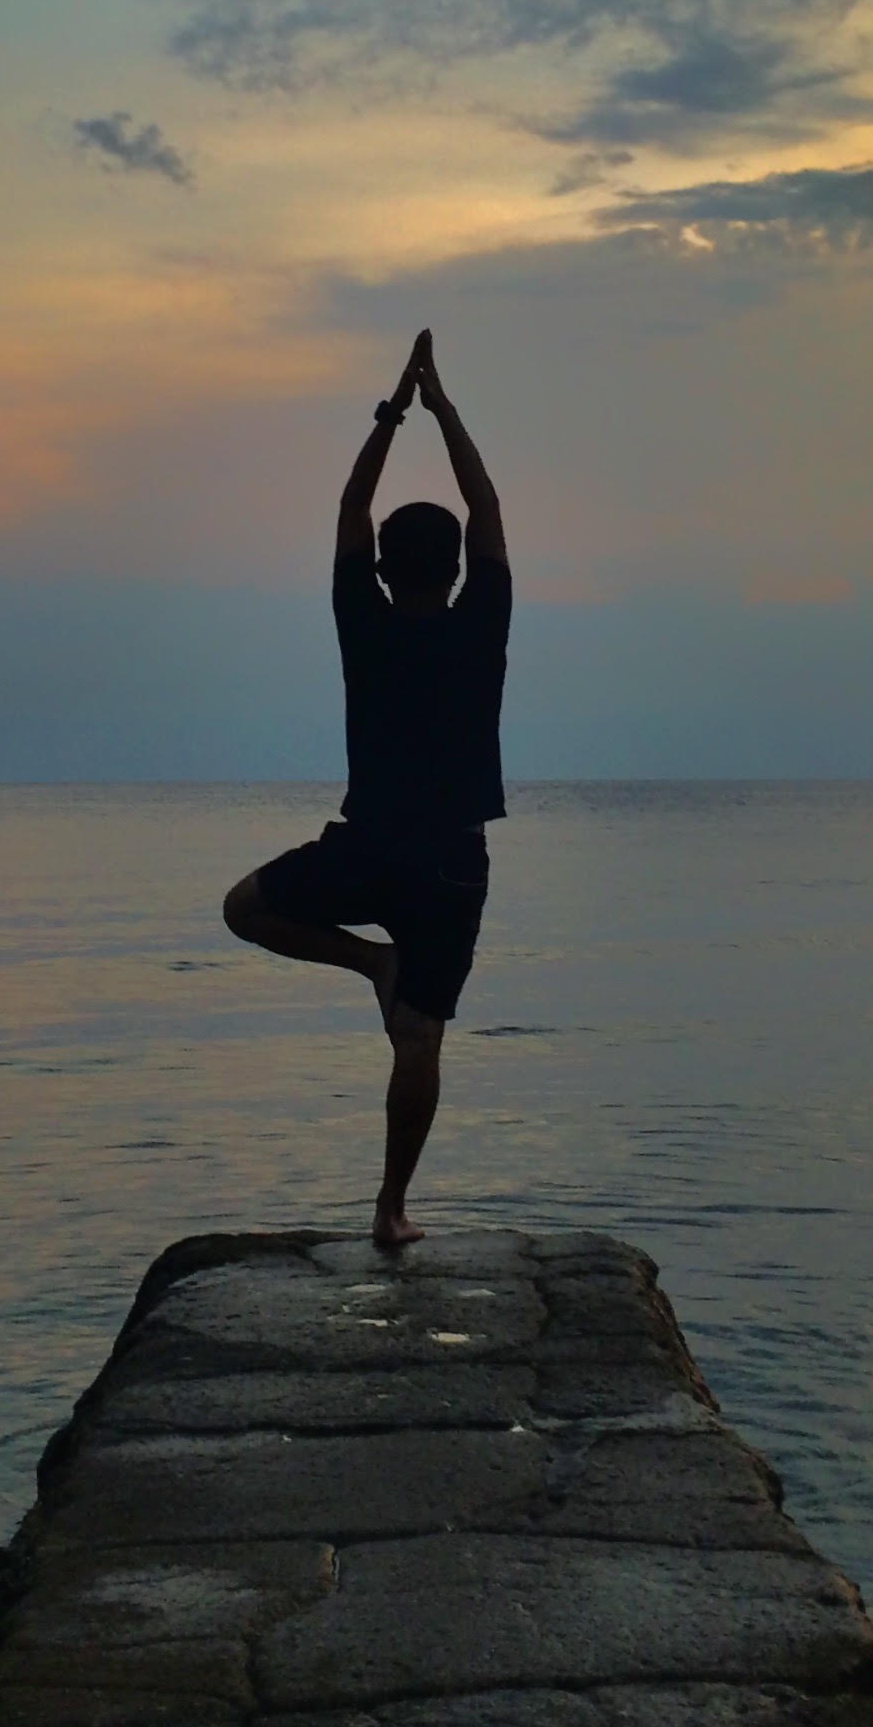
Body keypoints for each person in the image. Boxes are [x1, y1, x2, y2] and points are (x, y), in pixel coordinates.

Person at [222, 329, 510, 1249]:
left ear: (383, 570)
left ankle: (366, 964)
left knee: (243, 908)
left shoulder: (364, 622)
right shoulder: (482, 623)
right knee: (418, 1037)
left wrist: (393, 407)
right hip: (451, 862)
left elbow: (352, 502)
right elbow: (487, 503)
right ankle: (389, 1209)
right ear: (458, 569)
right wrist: (444, 409)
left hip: (372, 845)